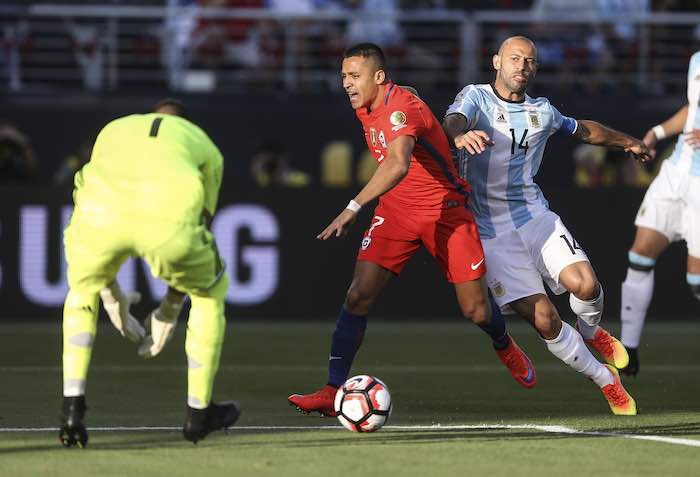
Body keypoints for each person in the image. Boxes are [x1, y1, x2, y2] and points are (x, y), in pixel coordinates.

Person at [288, 43, 536, 417]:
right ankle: (332, 388)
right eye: (343, 77)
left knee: (476, 310)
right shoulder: (368, 103)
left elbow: (398, 163)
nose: (346, 84)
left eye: (354, 77)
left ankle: (504, 343)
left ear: (379, 77)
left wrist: (353, 207)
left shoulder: (402, 107)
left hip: (445, 211)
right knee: (358, 296)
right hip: (397, 212)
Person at [443, 36, 652, 415]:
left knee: (587, 285)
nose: (521, 65)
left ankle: (591, 332)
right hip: (490, 233)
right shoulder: (476, 97)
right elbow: (453, 120)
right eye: (514, 58)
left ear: (535, 69)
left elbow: (584, 130)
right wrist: (457, 134)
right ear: (496, 62)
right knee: (544, 319)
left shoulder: (542, 111)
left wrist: (628, 142)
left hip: (534, 216)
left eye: (529, 60)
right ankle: (606, 380)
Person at [59, 98, 239, 447]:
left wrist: (111, 298)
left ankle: (71, 407)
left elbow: (90, 194)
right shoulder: (204, 145)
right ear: (186, 126)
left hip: (98, 219)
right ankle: (198, 413)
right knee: (209, 293)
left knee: (80, 290)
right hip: (167, 222)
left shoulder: (113, 129)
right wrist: (170, 308)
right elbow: (199, 227)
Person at [619, 50, 700, 377]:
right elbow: (692, 109)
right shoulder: (695, 58)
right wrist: (657, 132)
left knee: (696, 282)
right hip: (675, 175)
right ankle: (629, 351)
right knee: (639, 256)